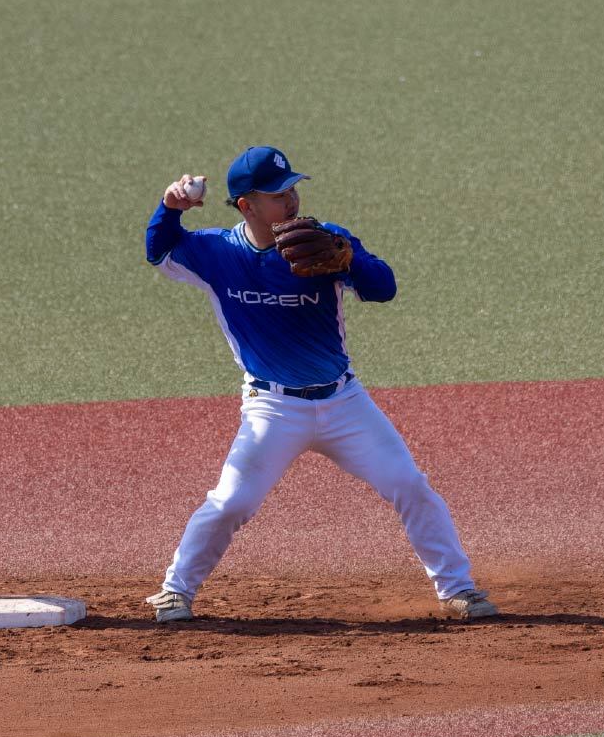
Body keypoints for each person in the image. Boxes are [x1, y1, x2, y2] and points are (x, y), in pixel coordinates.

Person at [142, 145, 498, 623]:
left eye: (292, 189)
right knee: (230, 502)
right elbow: (159, 251)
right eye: (277, 195)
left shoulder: (325, 239)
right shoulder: (216, 253)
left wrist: (349, 262)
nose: (291, 200)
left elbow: (384, 288)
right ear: (247, 205)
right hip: (272, 408)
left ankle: (459, 589)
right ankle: (174, 592)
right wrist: (170, 208)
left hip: (344, 402)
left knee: (409, 484)